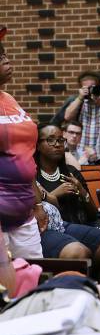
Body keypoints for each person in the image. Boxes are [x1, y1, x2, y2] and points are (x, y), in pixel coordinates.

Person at [35, 123, 100, 284]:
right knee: (78, 251)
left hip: (78, 225)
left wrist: (82, 191)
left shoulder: (71, 172)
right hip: (50, 228)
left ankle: (96, 285)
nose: (57, 144)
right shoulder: (32, 173)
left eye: (60, 140)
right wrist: (53, 194)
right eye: (50, 140)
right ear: (37, 144)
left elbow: (92, 214)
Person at [0, 26, 46, 260]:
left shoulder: (8, 99)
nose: (6, 61)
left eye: (5, 55)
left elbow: (24, 159)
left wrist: (36, 205)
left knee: (34, 280)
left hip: (24, 214)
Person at [52, 70, 100, 167]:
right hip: (80, 154)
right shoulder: (77, 101)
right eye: (86, 88)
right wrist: (80, 97)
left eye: (92, 87)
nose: (90, 90)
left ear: (99, 87)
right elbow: (67, 116)